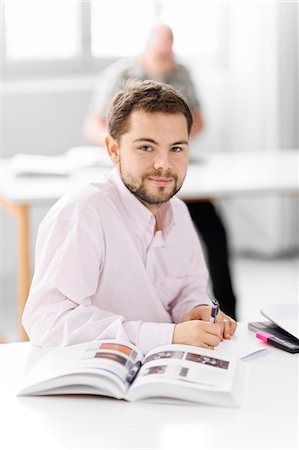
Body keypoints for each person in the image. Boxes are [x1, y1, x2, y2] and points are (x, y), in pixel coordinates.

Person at [22, 80, 237, 353]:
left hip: (163, 368)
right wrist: (166, 336)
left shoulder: (179, 212)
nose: (164, 164)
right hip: (98, 377)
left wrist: (195, 309)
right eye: (146, 148)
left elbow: (187, 288)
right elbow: (47, 321)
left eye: (176, 148)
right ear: (113, 150)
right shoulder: (83, 214)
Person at [84, 24, 237, 319]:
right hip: (126, 169)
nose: (166, 59)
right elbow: (93, 123)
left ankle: (226, 309)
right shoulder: (121, 75)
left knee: (212, 227)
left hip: (166, 182)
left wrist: (170, 142)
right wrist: (134, 146)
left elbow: (197, 121)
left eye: (170, 52)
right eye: (160, 53)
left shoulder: (181, 73)